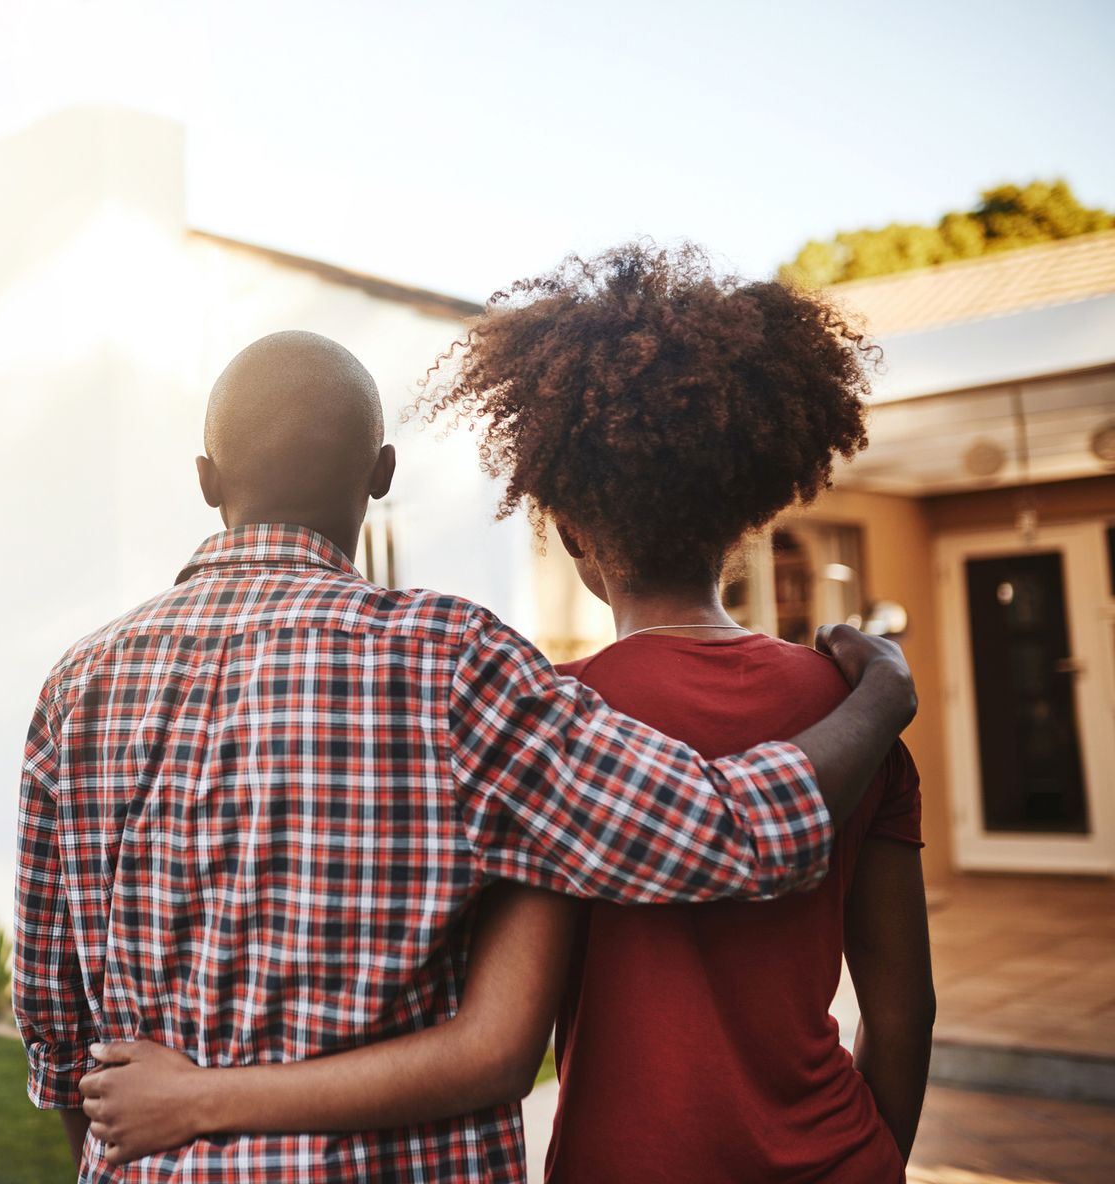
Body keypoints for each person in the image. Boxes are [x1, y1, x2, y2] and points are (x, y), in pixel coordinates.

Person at [74, 247, 935, 1183]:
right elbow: (903, 1010)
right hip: (843, 1156)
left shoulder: (557, 708)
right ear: (749, 515)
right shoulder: (847, 719)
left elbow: (497, 1039)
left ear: (567, 530)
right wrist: (883, 696)